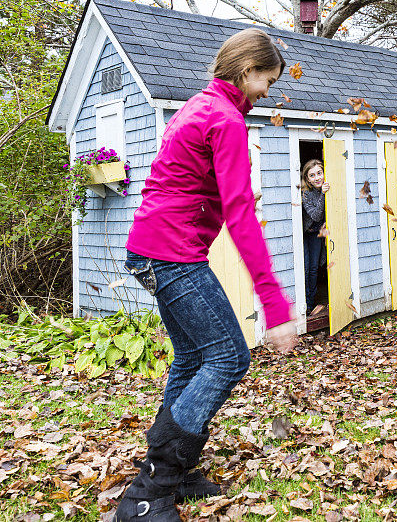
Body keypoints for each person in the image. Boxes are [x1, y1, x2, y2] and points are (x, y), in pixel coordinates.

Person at [116, 28, 298, 522]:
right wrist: (275, 307)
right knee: (229, 357)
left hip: (152, 248)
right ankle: (148, 493)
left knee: (193, 358)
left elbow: (184, 185)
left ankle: (177, 470)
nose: (268, 90)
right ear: (246, 72)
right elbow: (240, 214)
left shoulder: (199, 106)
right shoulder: (225, 118)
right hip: (171, 254)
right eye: (267, 80)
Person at [300, 159, 328, 313]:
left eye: (319, 173)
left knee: (314, 268)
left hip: (317, 234)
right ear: (307, 179)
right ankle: (306, 303)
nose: (317, 178)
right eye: (312, 175)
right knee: (306, 268)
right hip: (306, 234)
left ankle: (310, 302)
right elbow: (316, 215)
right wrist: (323, 194)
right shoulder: (306, 194)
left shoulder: (327, 187)